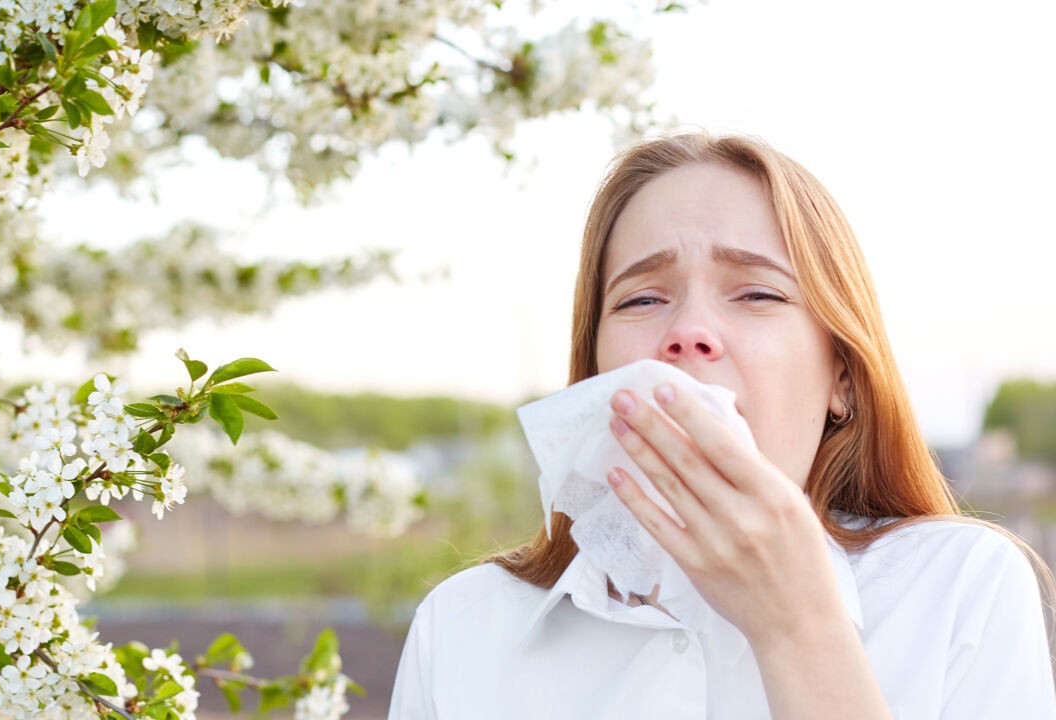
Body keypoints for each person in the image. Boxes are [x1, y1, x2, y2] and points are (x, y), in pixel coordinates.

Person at [386, 132, 1056, 719]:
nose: (689, 332)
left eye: (757, 293)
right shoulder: (461, 627)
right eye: (642, 298)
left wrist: (798, 631)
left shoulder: (963, 587)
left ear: (843, 378)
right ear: (593, 373)